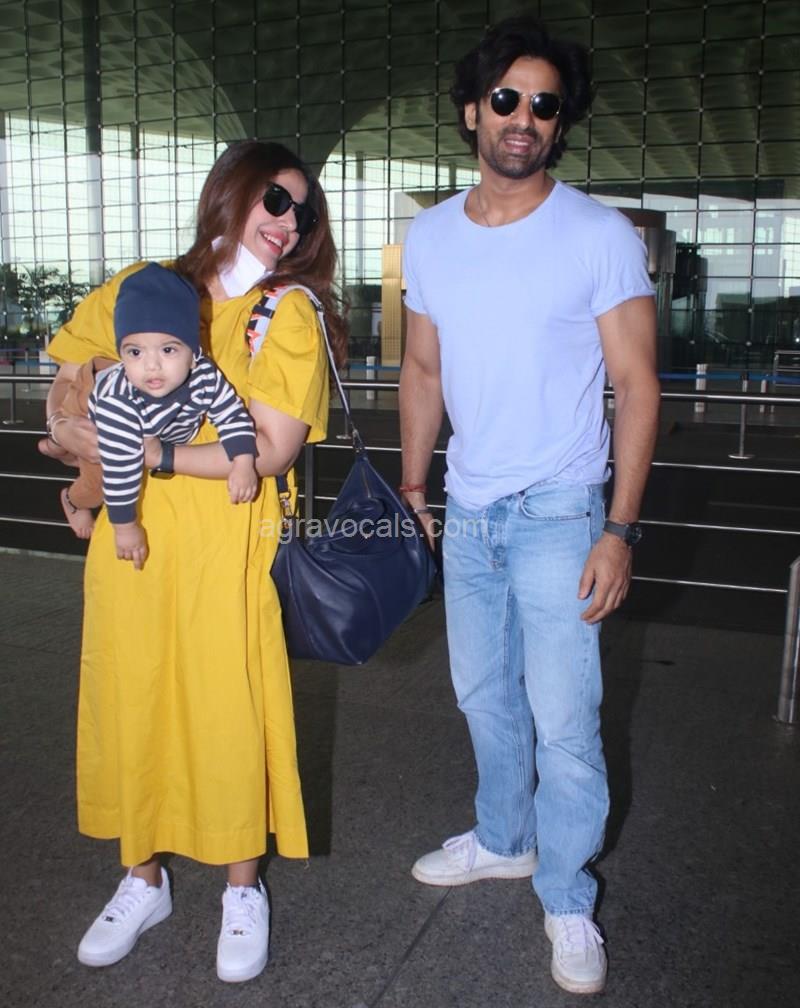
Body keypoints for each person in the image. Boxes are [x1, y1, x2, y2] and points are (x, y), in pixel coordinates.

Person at [39, 141, 347, 983]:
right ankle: (142, 878)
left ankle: (242, 888)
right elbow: (67, 372)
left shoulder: (285, 314)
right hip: (133, 550)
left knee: (228, 710)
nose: (290, 222)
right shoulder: (144, 288)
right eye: (276, 200)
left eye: (304, 212)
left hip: (229, 552)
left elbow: (273, 449)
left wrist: (156, 454)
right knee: (133, 699)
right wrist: (75, 434)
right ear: (231, 192)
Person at [398, 16, 660, 997]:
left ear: (560, 121)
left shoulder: (596, 235)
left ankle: (565, 895)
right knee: (481, 696)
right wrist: (414, 487)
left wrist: (616, 529)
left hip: (559, 510)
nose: (524, 117)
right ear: (472, 111)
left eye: (544, 104)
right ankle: (504, 840)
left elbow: (637, 386)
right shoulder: (429, 236)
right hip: (469, 507)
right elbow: (423, 370)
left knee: (565, 723)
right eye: (505, 98)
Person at [53, 262, 258, 568]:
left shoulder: (205, 375)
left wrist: (243, 463)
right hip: (89, 400)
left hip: (149, 420)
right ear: (122, 354)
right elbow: (121, 471)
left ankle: (56, 445)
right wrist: (126, 528)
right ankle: (72, 499)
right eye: (135, 352)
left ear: (194, 354)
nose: (152, 366)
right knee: (99, 480)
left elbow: (232, 414)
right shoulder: (118, 403)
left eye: (168, 350)